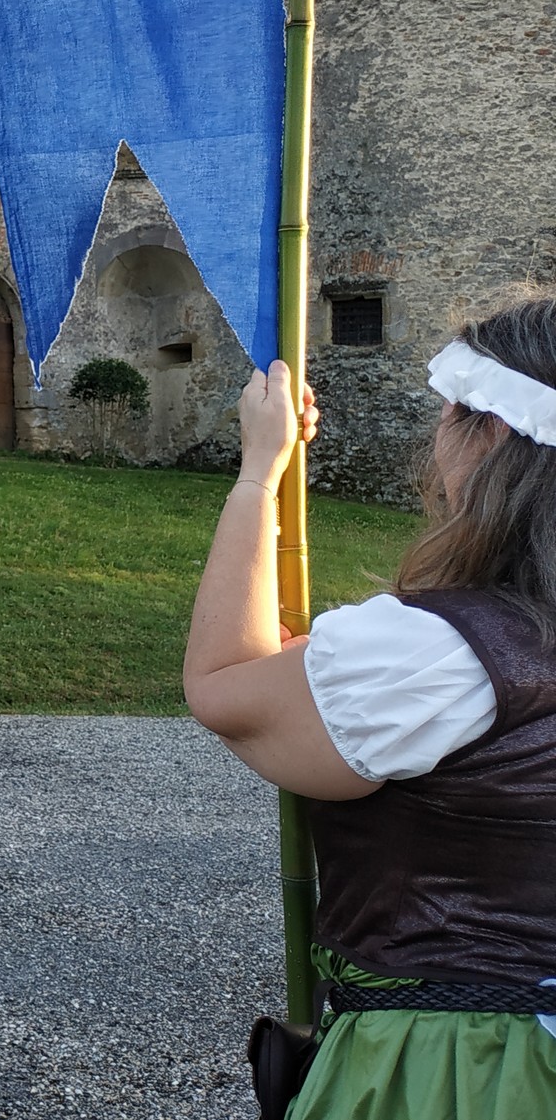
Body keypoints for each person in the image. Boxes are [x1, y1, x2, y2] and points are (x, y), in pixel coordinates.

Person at [183, 297, 556, 1120]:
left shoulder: (443, 653)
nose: (438, 432)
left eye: (449, 410)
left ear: (493, 434)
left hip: (464, 1071)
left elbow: (224, 685)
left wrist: (260, 471)